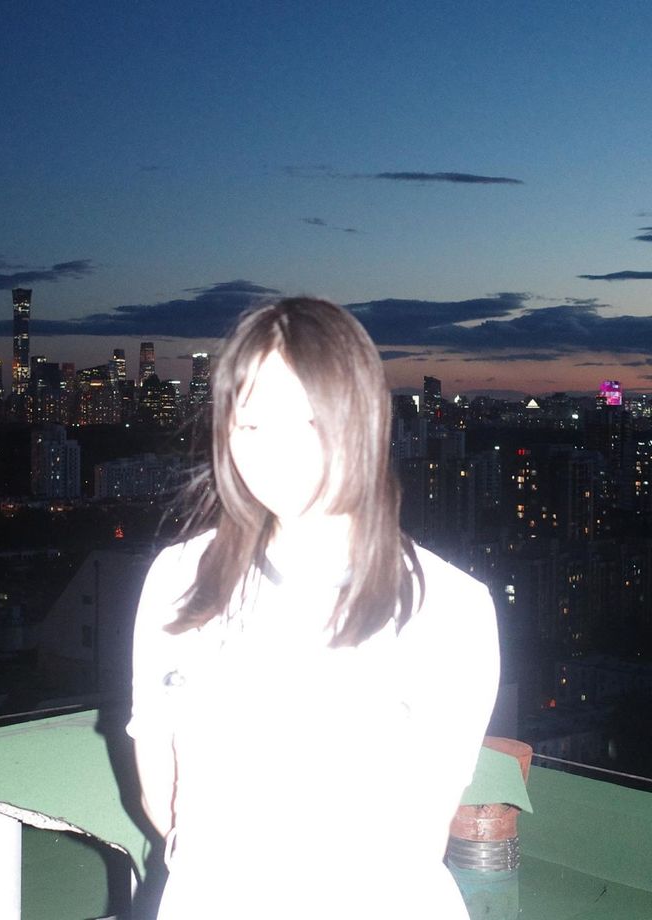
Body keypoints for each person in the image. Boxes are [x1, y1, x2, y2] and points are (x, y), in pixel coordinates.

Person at [127, 297, 500, 919]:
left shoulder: (450, 609)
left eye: (308, 421)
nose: (276, 450)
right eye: (251, 424)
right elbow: (157, 786)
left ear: (362, 422)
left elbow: (418, 837)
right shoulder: (179, 581)